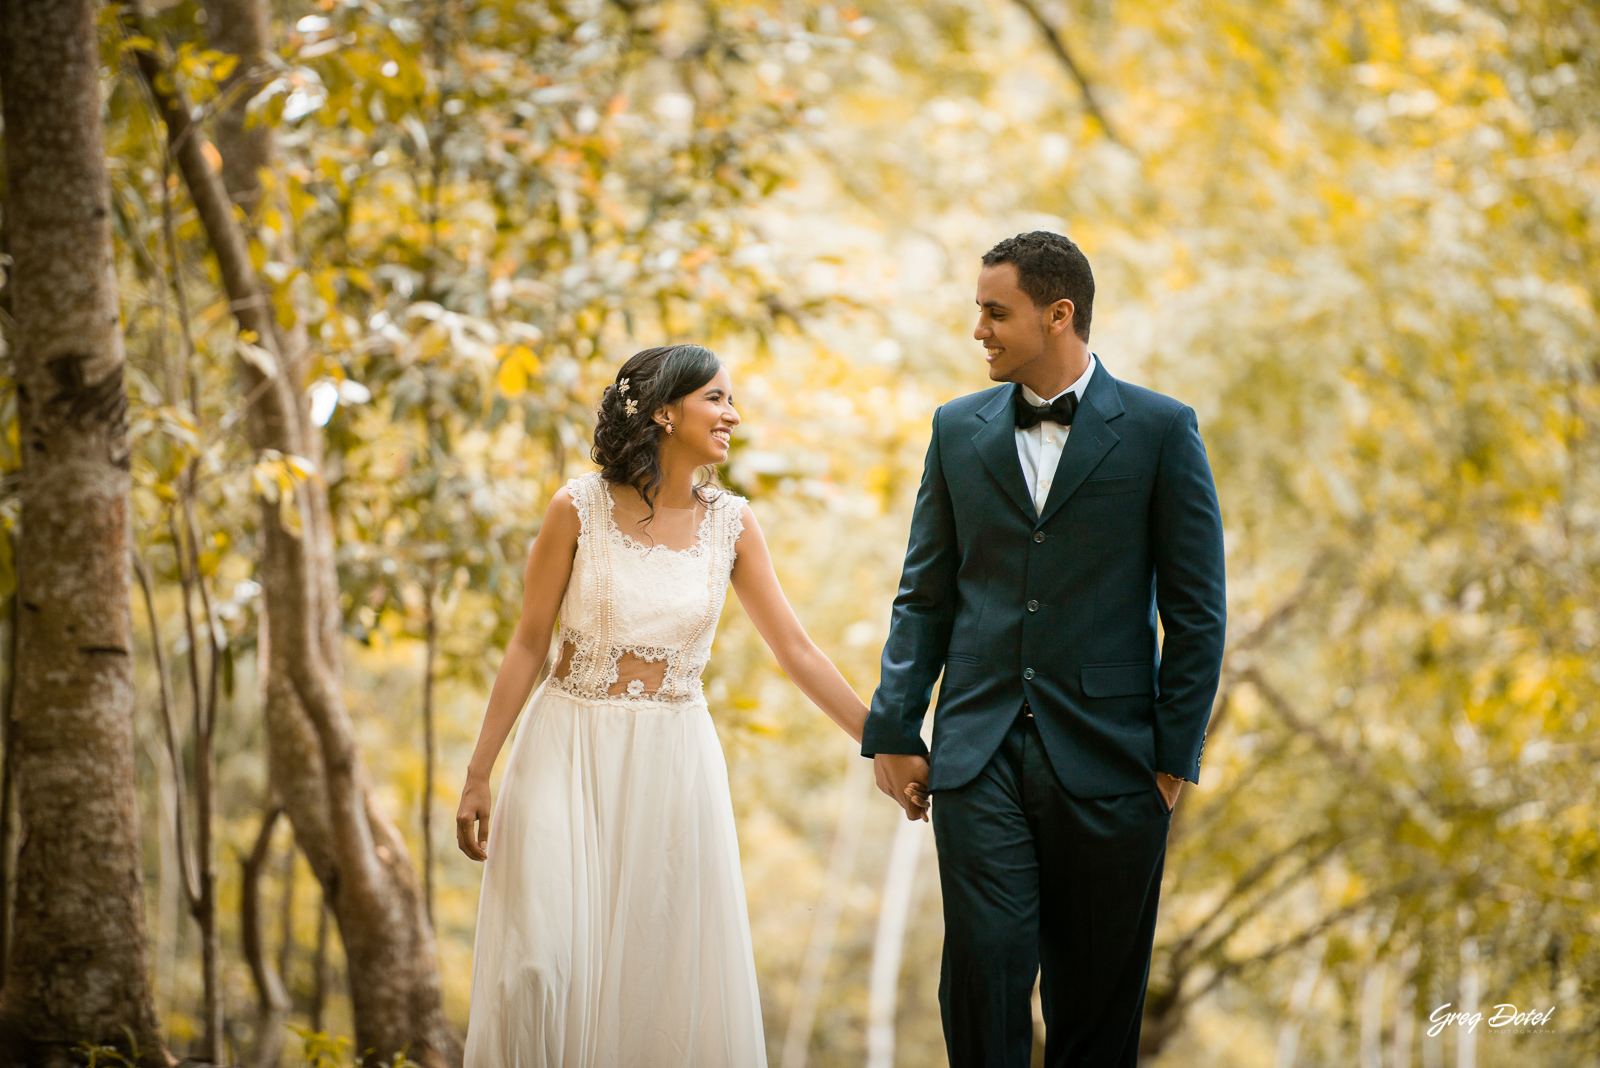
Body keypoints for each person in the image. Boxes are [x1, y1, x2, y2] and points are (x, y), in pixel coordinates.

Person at [863, 231, 1227, 1067]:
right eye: (978, 312)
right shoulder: (956, 430)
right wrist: (892, 727)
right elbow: (924, 591)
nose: (980, 330)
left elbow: (1198, 612)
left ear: (1058, 315)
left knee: (1097, 1007)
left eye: (996, 312)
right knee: (983, 975)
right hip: (977, 748)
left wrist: (1170, 763)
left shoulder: (1162, 430)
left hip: (1116, 763)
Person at [455, 344, 870, 1067]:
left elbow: (797, 651)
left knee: (657, 980)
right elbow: (528, 643)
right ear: (662, 412)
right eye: (716, 398)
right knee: (537, 969)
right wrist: (478, 771)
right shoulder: (575, 508)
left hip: (674, 767)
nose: (732, 415)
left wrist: (883, 740)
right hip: (566, 750)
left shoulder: (733, 526)